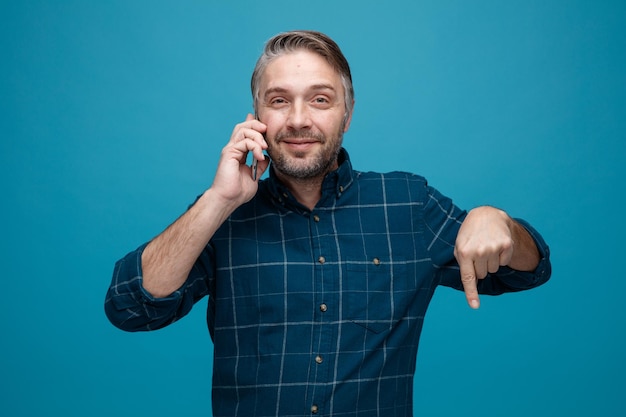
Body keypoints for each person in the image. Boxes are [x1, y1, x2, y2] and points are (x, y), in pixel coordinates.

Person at [105, 30, 551, 416]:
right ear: (255, 117)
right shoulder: (223, 216)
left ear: (347, 113)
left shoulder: (408, 205)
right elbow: (130, 308)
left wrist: (499, 222)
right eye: (279, 101)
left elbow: (528, 270)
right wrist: (218, 200)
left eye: (320, 100)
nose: (299, 120)